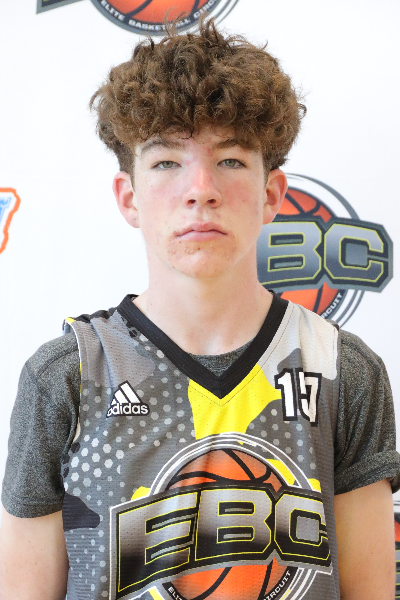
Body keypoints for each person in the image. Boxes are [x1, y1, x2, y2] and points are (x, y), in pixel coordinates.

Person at [0, 20, 398, 600]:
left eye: (230, 160)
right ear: (129, 197)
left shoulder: (344, 370)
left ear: (271, 194)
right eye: (166, 162)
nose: (201, 189)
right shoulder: (66, 376)